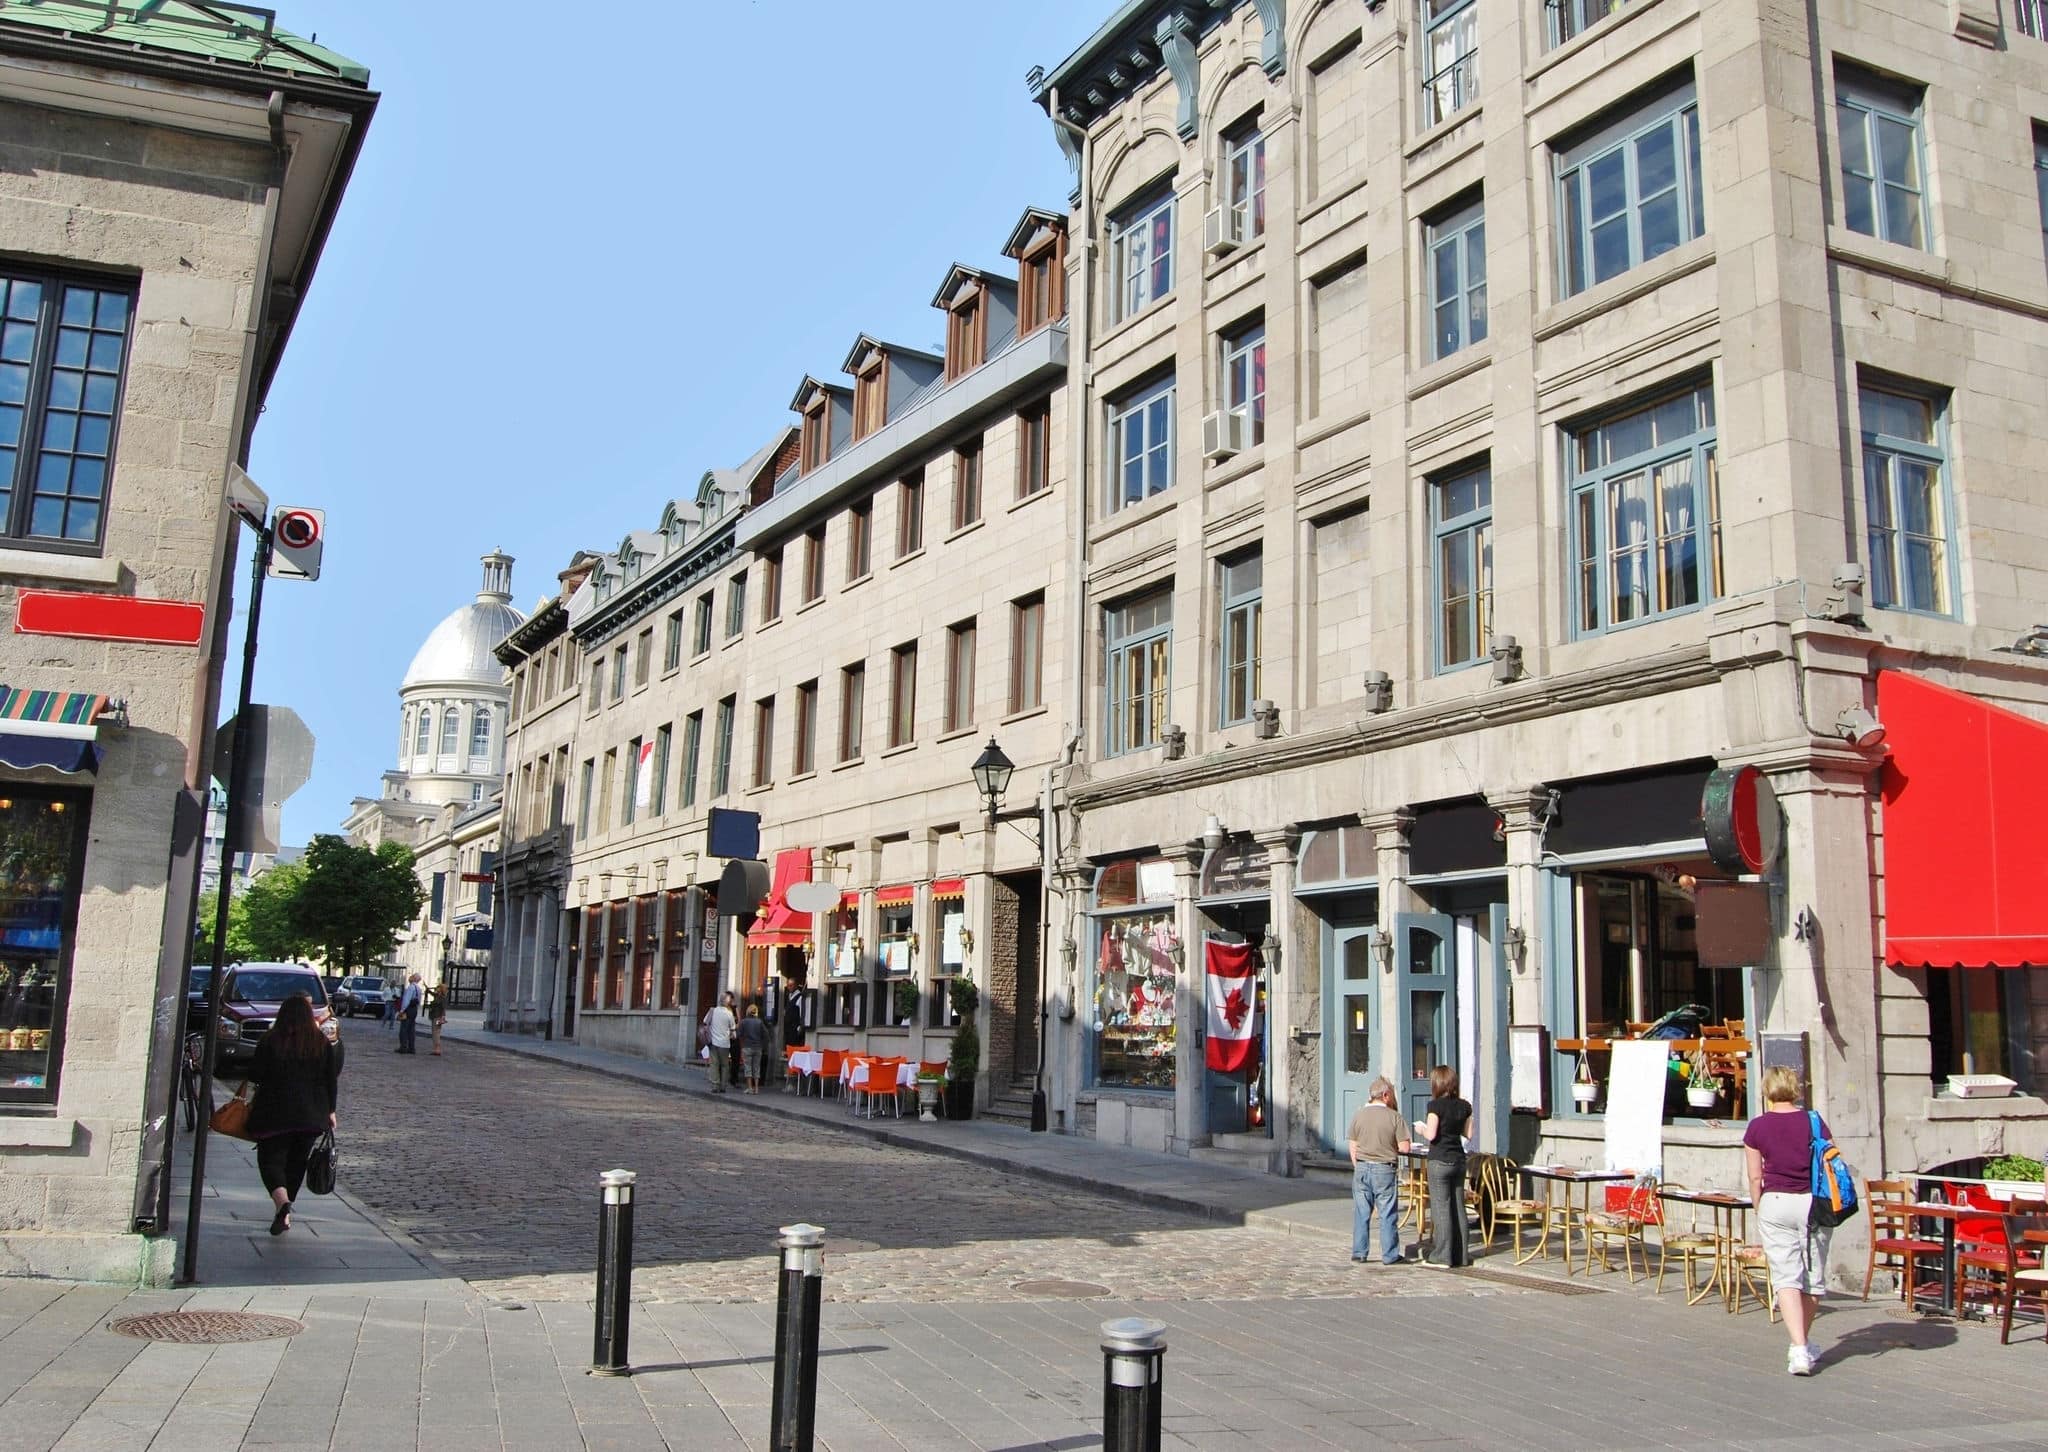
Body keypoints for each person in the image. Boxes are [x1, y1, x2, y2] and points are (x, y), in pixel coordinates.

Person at [1744, 1065, 1834, 1376]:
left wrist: (1760, 1207)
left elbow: (1755, 1177)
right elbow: (1830, 1161)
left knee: (1786, 1276)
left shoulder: (1757, 1127)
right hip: (1813, 1202)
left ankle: (1799, 1348)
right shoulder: (1814, 1122)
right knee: (1813, 1277)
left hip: (1775, 1202)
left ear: (1766, 1090)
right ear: (1795, 1088)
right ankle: (1801, 1345)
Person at [245, 992, 340, 1236]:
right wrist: (331, 1110)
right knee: (297, 1162)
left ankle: (282, 1203)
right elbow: (331, 1080)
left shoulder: (271, 1040)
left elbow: (255, 1074)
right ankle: (286, 1209)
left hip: (274, 1112)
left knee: (270, 1160)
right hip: (311, 1114)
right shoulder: (320, 1042)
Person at [1348, 1076, 1411, 1265]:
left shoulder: (1359, 1115)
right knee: (1387, 1213)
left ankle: (1359, 1252)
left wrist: (1358, 1165)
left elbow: (1353, 1145)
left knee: (1361, 1212)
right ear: (1385, 1095)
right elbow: (1405, 1147)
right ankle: (1390, 1254)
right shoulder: (1394, 1117)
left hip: (1362, 1167)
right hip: (1384, 1168)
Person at [1420, 1064, 1473, 1268]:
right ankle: (1461, 1255)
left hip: (1440, 1159)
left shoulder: (1435, 1106)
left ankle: (1442, 1255)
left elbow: (1431, 1134)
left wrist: (1420, 1129)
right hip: (1459, 1159)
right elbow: (1469, 1133)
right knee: (1458, 1207)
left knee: (1441, 1207)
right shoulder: (1465, 1106)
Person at [703, 993, 737, 1093]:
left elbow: (705, 1021)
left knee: (714, 1064)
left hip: (713, 1042)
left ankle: (715, 1085)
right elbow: (733, 1028)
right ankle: (723, 1086)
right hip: (725, 1043)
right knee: (724, 1065)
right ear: (727, 1002)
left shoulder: (713, 1011)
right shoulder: (729, 1014)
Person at [737, 1002, 767, 1094]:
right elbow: (766, 1034)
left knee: (748, 1068)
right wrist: (762, 1043)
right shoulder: (760, 1022)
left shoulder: (743, 1022)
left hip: (747, 1046)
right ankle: (756, 1088)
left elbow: (739, 1034)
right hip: (758, 1047)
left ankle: (750, 1088)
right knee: (756, 1068)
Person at [395, 973, 422, 1054]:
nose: (410, 978)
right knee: (411, 1029)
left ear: (414, 978)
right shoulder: (418, 988)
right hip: (414, 1009)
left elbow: (406, 1000)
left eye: (412, 976)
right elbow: (419, 1000)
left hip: (408, 1009)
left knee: (404, 1029)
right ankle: (411, 1047)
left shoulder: (411, 988)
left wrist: (402, 1010)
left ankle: (403, 1047)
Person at [426, 984, 447, 1056]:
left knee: (436, 1033)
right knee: (435, 1032)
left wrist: (443, 1017)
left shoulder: (442, 998)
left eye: (438, 987)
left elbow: (443, 1008)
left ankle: (437, 1050)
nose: (436, 988)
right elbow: (431, 993)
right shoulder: (437, 996)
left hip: (438, 1017)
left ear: (441, 989)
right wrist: (427, 988)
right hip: (434, 1016)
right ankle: (436, 1049)